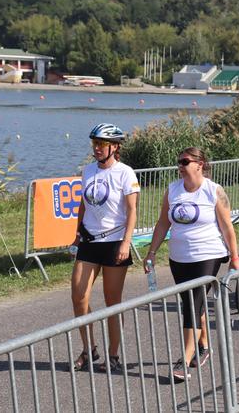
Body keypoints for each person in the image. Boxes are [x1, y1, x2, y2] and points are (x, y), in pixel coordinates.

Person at [144, 147, 239, 381]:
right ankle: (204, 345)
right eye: (178, 161)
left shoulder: (213, 190)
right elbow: (162, 224)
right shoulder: (172, 190)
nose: (180, 165)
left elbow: (227, 226)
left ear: (200, 164)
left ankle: (185, 360)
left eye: (185, 161)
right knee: (192, 304)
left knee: (192, 303)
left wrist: (235, 257)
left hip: (208, 254)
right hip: (179, 257)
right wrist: (152, 252)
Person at [70, 123, 140, 373]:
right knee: (79, 296)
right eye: (94, 144)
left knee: (113, 301)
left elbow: (132, 211)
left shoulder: (125, 173)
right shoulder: (88, 171)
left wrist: (126, 242)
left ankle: (113, 355)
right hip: (90, 240)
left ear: (115, 147)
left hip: (114, 242)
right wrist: (78, 233)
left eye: (101, 144)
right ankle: (89, 350)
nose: (97, 148)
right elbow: (83, 204)